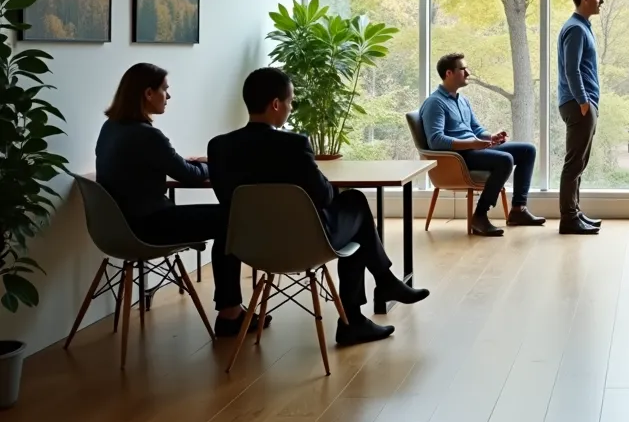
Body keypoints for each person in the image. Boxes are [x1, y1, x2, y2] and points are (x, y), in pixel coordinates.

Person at [208, 67, 430, 345]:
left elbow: (225, 198)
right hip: (305, 243)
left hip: (247, 245)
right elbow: (324, 197)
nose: (290, 108)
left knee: (352, 207)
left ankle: (381, 287)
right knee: (355, 202)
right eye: (290, 102)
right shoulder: (293, 144)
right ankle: (358, 312)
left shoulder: (219, 147)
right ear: (276, 104)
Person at [94, 63, 258, 336]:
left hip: (115, 228)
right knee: (233, 218)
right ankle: (230, 314)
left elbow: (172, 166)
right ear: (148, 93)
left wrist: (195, 164)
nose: (168, 96)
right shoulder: (147, 135)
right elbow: (191, 176)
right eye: (164, 89)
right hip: (147, 227)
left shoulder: (110, 128)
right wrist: (214, 163)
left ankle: (231, 311)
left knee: (227, 218)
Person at [419, 52, 542, 236]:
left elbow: (476, 129)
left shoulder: (462, 100)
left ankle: (518, 209)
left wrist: (491, 137)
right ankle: (480, 215)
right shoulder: (435, 103)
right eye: (463, 69)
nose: (468, 72)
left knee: (527, 150)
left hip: (474, 149)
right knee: (505, 160)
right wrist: (472, 143)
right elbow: (435, 141)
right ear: (449, 73)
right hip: (458, 158)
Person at [557, 0, 605, 235]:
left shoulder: (582, 27)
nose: (601, 0)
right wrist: (584, 101)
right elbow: (571, 69)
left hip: (583, 104)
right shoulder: (575, 29)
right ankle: (568, 218)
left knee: (579, 163)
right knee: (574, 163)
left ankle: (574, 212)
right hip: (578, 105)